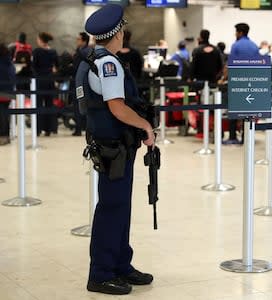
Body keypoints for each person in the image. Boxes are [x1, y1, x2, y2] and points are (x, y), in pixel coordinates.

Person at [77, 4, 155, 295]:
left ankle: (121, 264)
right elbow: (118, 108)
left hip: (113, 145)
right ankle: (101, 273)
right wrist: (146, 126)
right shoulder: (107, 64)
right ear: (118, 33)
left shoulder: (91, 58)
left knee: (120, 207)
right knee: (112, 208)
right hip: (114, 147)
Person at [224, 23, 259, 145]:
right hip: (251, 82)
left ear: (240, 32)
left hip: (237, 82)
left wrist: (224, 78)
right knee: (248, 110)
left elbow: (231, 65)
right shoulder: (255, 46)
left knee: (234, 110)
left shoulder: (236, 46)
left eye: (236, 32)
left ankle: (233, 137)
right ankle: (247, 137)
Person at [32, 32, 58, 136]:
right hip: (50, 80)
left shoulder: (37, 51)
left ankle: (38, 129)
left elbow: (33, 66)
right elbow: (57, 65)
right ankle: (49, 129)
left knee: (38, 104)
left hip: (40, 80)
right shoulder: (53, 51)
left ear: (41, 40)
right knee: (49, 104)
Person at [71, 32, 91, 136]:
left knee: (80, 104)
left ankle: (80, 127)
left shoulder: (84, 52)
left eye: (78, 39)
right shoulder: (81, 51)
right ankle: (80, 126)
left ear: (84, 41)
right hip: (79, 82)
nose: (77, 41)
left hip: (81, 83)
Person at [0, 44, 15, 145]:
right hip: (9, 92)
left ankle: (2, 136)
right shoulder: (10, 63)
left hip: (1, 91)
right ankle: (6, 136)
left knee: (1, 116)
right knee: (5, 115)